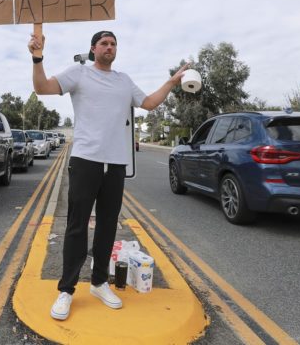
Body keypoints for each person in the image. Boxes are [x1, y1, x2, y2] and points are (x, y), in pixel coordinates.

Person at [28, 30, 188, 321]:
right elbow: (42, 87)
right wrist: (37, 57)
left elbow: (149, 103)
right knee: (77, 226)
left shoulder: (124, 81)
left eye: (113, 44)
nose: (109, 47)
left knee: (107, 226)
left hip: (115, 164)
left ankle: (100, 283)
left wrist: (172, 82)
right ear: (93, 48)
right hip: (85, 160)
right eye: (104, 43)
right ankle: (66, 289)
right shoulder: (79, 74)